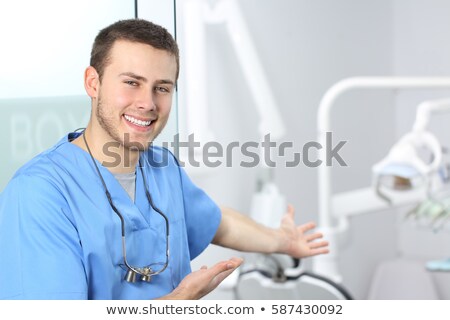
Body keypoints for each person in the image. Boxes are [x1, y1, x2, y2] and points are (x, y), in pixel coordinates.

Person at [0, 19, 328, 300]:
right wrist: (179, 301)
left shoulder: (162, 167)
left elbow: (214, 221)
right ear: (93, 82)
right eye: (131, 83)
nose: (147, 103)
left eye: (162, 88)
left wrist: (281, 241)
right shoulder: (39, 193)